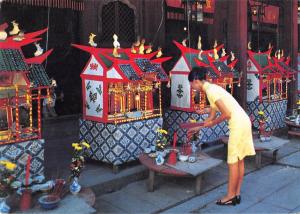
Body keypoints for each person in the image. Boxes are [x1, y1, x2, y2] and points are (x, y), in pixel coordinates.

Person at [187, 66, 256, 206]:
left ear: (196, 81)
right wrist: (200, 124)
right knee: (239, 159)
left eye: (191, 84)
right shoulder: (212, 88)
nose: (192, 88)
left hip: (238, 124)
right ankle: (236, 194)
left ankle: (230, 196)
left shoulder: (211, 91)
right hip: (243, 121)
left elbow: (226, 114)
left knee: (232, 161)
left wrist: (210, 124)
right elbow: (211, 116)